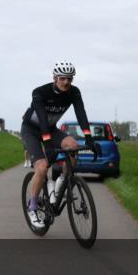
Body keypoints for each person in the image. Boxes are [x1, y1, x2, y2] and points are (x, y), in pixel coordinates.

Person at [20, 62, 99, 229]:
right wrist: (47, 144)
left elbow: (81, 113)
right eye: (62, 78)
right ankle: (32, 207)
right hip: (31, 130)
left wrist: (89, 138)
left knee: (73, 145)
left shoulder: (74, 92)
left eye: (69, 79)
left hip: (50, 129)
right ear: (55, 78)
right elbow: (42, 118)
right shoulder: (40, 92)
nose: (66, 82)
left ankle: (60, 184)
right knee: (42, 167)